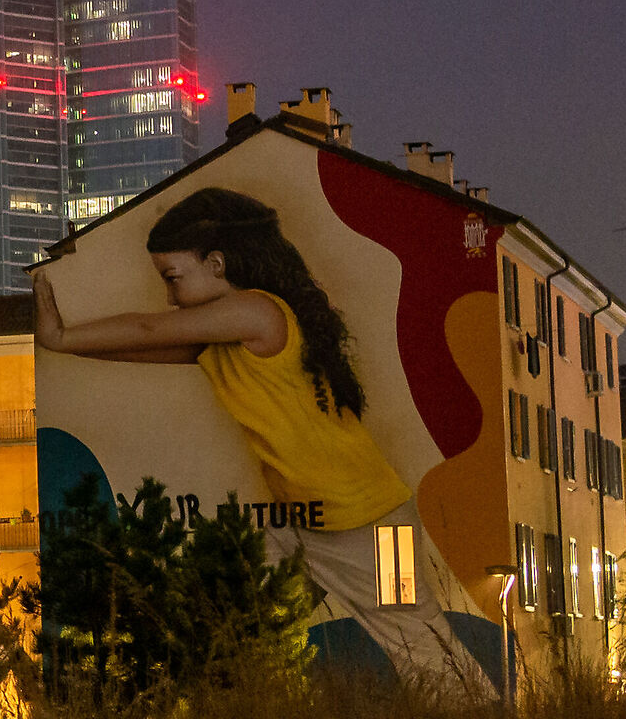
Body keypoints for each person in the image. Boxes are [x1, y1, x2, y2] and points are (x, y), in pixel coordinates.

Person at [33, 186, 458, 670]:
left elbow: (149, 331)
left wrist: (61, 337)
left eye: (173, 279)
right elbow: (140, 347)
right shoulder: (222, 338)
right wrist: (64, 345)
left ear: (217, 263)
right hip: (303, 524)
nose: (170, 298)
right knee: (243, 627)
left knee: (416, 635)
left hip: (373, 520)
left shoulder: (255, 311)